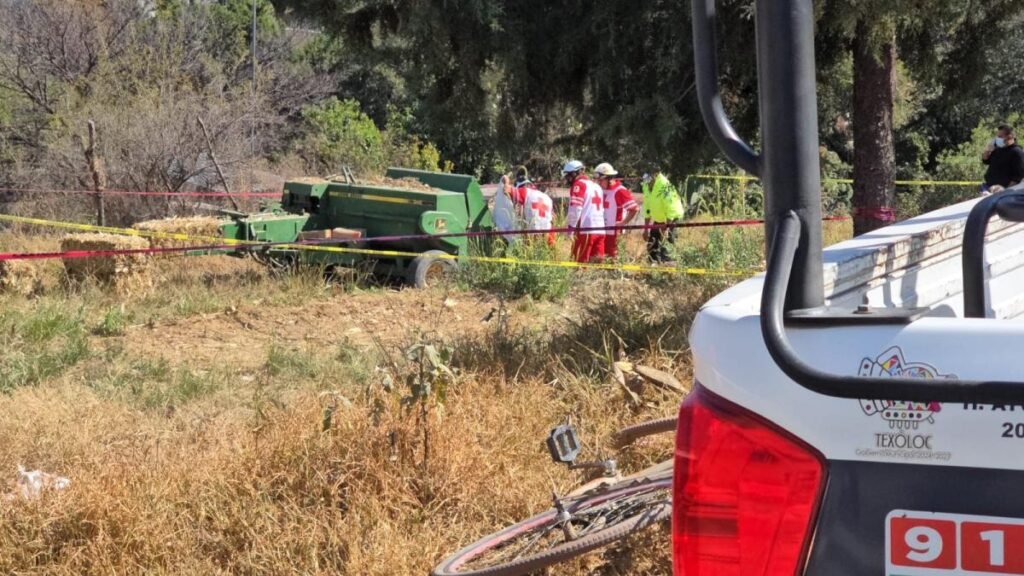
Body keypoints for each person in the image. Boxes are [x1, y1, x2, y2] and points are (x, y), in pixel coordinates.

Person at [563, 160, 606, 263]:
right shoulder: (596, 186)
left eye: (568, 175)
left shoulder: (579, 185)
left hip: (585, 231)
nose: (567, 178)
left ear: (575, 173)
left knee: (579, 264)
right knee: (597, 265)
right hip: (600, 229)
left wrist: (571, 228)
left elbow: (576, 208)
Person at [595, 163, 639, 259]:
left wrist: (623, 222)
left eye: (600, 180)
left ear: (608, 178)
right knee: (600, 258)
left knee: (612, 258)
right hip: (602, 230)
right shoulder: (600, 190)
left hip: (614, 233)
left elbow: (634, 209)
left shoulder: (620, 191)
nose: (598, 182)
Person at [641, 170, 684, 263]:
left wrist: (667, 228)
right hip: (659, 219)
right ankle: (653, 266)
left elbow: (671, 208)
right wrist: (646, 229)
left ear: (655, 174)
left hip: (672, 218)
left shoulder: (665, 186)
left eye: (648, 173)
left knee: (667, 246)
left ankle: (669, 269)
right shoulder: (645, 185)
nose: (645, 176)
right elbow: (647, 207)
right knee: (652, 246)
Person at [516, 168, 555, 247]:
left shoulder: (522, 191)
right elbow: (553, 217)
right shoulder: (544, 196)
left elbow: (519, 213)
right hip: (549, 232)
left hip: (532, 233)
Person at [982, 125, 1024, 191]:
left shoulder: (1017, 152)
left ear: (1009, 136)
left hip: (1002, 192)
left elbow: (1018, 177)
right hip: (987, 187)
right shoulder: (998, 149)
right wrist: (987, 150)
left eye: (1000, 136)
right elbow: (985, 160)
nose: (997, 139)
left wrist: (1005, 191)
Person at [493, 171, 523, 242]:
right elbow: (505, 177)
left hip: (506, 216)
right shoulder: (505, 184)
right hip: (503, 215)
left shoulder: (511, 189)